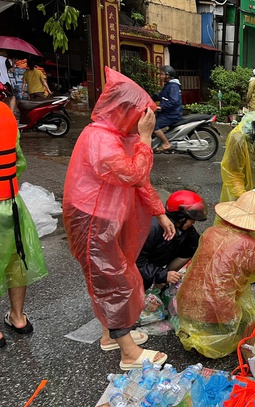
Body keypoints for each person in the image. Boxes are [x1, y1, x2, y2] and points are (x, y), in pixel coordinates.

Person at [63, 67, 176, 370]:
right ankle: (128, 351)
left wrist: (159, 213)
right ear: (125, 111)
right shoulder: (100, 138)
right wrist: (146, 138)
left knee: (108, 277)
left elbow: (140, 181)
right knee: (112, 281)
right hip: (91, 219)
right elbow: (132, 173)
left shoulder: (117, 135)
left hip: (104, 218)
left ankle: (109, 335)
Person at [176, 189, 255, 359]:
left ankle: (199, 331)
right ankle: (216, 331)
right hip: (218, 313)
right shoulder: (252, 247)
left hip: (185, 305)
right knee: (246, 322)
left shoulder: (211, 232)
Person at [0, 93, 48, 349]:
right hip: (11, 203)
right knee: (15, 260)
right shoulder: (6, 114)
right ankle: (18, 318)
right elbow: (19, 162)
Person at [136, 190, 207, 291]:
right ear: (181, 218)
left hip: (160, 262)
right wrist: (162, 275)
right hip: (141, 271)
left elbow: (196, 245)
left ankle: (160, 282)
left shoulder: (184, 228)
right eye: (192, 219)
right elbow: (136, 261)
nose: (194, 222)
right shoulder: (152, 229)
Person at [152, 65, 182, 152]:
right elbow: (160, 96)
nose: (160, 76)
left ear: (168, 75)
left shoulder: (173, 86)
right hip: (167, 113)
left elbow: (174, 101)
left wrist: (161, 107)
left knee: (154, 125)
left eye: (162, 74)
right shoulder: (169, 85)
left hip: (172, 114)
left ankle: (166, 143)